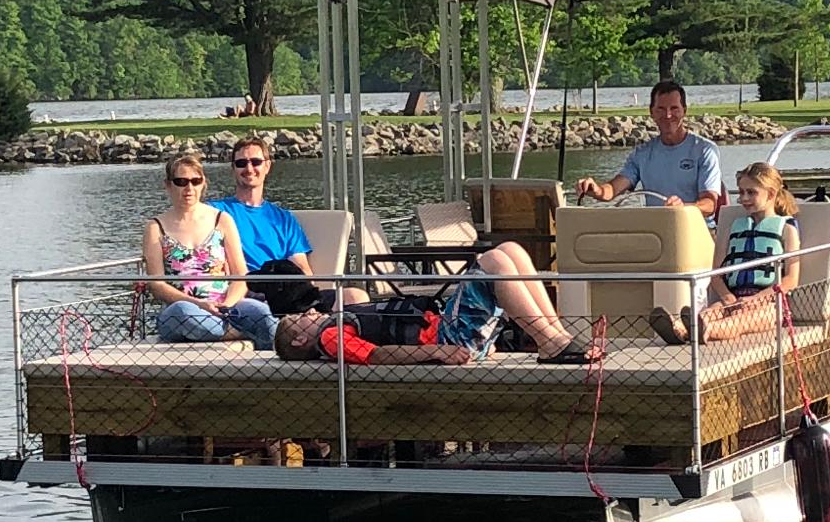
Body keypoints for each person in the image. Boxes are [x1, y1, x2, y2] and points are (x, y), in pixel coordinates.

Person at [276, 242, 601, 365]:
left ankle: (557, 336)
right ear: (302, 339)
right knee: (494, 264)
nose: (308, 312)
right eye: (300, 320)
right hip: (449, 340)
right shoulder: (330, 338)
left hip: (449, 329)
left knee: (513, 250)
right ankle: (550, 342)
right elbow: (376, 355)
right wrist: (436, 351)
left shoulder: (337, 322)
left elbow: (356, 301)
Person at [210, 136, 369, 312]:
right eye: (241, 163)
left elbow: (303, 269)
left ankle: (334, 335)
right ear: (233, 168)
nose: (249, 168)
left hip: (284, 294)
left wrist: (309, 304)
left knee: (356, 297)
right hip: (244, 292)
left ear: (267, 166)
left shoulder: (283, 218)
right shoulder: (215, 212)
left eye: (256, 162)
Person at [649, 162, 800, 344]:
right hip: (732, 297)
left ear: (771, 194)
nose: (744, 198)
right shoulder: (732, 228)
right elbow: (716, 275)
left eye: (751, 192)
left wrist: (756, 300)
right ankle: (680, 329)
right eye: (741, 192)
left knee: (739, 323)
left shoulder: (787, 229)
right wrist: (727, 297)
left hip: (770, 305)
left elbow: (791, 280)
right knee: (710, 313)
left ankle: (699, 332)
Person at [142, 155, 278, 349]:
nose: (189, 189)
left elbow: (241, 275)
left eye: (195, 181)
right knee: (185, 315)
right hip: (182, 307)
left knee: (262, 314)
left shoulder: (222, 220)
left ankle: (268, 372)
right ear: (168, 185)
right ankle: (238, 333)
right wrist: (198, 304)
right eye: (181, 182)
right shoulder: (155, 227)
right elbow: (157, 284)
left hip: (226, 306)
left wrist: (228, 304)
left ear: (203, 183)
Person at [575, 79, 722, 216]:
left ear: (684, 110)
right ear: (651, 112)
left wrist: (682, 209)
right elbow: (612, 190)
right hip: (656, 233)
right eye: (661, 109)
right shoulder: (642, 154)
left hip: (698, 230)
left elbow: (710, 204)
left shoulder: (705, 150)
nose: (668, 115)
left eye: (674, 108)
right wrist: (595, 189)